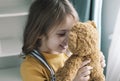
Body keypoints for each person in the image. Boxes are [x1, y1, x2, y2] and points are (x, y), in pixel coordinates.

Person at [20, 0, 106, 81]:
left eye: (72, 33)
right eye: (61, 34)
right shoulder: (30, 67)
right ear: (39, 32)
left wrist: (95, 63)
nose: (69, 40)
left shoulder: (70, 52)